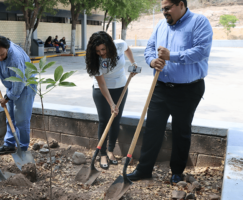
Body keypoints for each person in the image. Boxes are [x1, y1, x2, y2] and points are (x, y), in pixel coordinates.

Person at [127, 0, 213, 184]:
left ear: (181, 4)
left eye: (167, 8)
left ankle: (176, 172)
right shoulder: (160, 25)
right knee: (152, 129)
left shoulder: (199, 22)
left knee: (181, 131)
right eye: (162, 9)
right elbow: (150, 48)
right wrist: (152, 61)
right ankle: (143, 170)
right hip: (160, 87)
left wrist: (170, 56)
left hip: (188, 89)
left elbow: (201, 52)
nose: (164, 13)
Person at [86, 31, 138, 169]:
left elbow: (128, 49)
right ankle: (102, 154)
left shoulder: (120, 45)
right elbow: (102, 84)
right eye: (97, 51)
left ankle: (110, 151)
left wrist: (133, 64)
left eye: (103, 49)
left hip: (121, 87)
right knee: (104, 120)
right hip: (101, 91)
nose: (101, 53)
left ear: (110, 45)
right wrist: (111, 104)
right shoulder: (94, 60)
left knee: (116, 119)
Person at [0, 34, 36, 155]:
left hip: (25, 86)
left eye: (2, 55)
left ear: (7, 48)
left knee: (21, 120)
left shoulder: (15, 58)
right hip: (11, 87)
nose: (0, 58)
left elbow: (19, 84)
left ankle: (23, 148)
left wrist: (7, 98)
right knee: (10, 117)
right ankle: (9, 145)